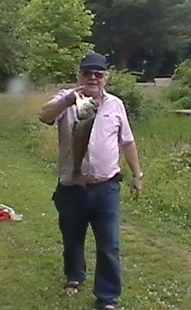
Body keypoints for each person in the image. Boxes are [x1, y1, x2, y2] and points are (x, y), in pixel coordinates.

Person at [38, 52, 143, 310]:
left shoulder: (116, 104)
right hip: (71, 187)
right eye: (88, 73)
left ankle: (107, 298)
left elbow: (127, 142)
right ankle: (75, 276)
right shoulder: (66, 99)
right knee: (72, 238)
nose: (93, 78)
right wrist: (67, 100)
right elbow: (44, 116)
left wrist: (137, 175)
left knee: (109, 244)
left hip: (106, 187)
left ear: (106, 77)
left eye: (99, 74)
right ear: (80, 75)